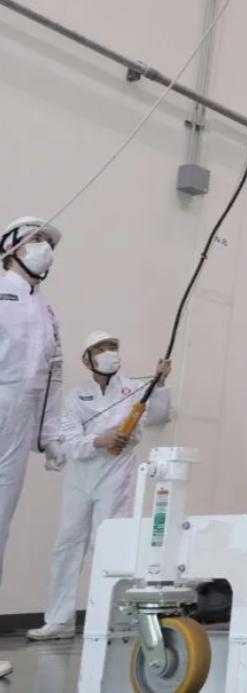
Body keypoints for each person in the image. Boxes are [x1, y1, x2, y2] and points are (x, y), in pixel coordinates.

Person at [27, 332, 171, 641]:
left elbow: (158, 414)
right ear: (88, 359)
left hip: (118, 474)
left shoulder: (134, 388)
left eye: (113, 347)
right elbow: (70, 442)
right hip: (81, 478)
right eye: (101, 349)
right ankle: (59, 620)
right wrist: (100, 440)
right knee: (67, 544)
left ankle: (115, 618)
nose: (109, 353)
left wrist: (158, 385)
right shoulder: (77, 396)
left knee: (111, 544)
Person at [0, 216, 67, 678]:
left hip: (18, 428)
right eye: (37, 239)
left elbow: (51, 379)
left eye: (48, 241)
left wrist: (51, 435)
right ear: (12, 248)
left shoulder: (47, 312)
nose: (45, 247)